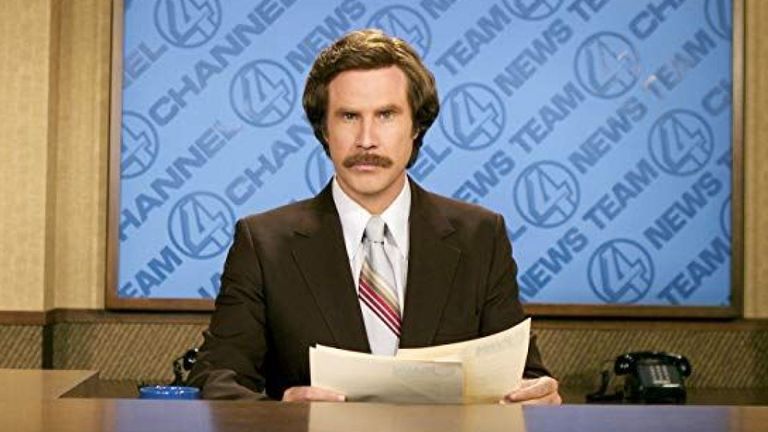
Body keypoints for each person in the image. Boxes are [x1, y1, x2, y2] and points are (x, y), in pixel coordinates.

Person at [187, 29, 561, 405]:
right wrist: (285, 416)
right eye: (349, 116)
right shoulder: (264, 244)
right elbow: (216, 380)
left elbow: (524, 377)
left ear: (416, 126)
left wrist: (537, 398)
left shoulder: (481, 236)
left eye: (386, 115)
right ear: (324, 129)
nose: (366, 139)